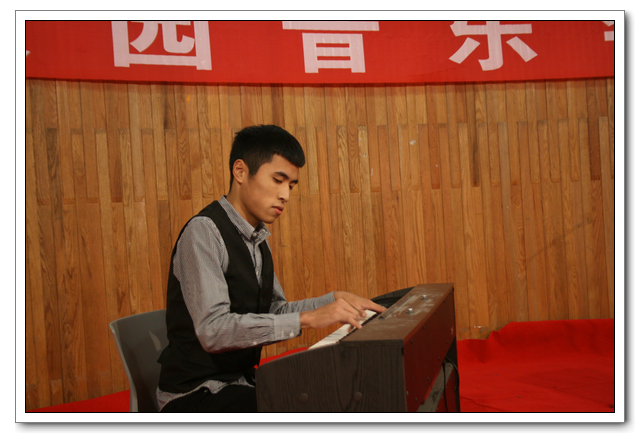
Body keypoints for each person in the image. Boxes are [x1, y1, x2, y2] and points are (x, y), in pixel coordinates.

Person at [157, 124, 385, 412]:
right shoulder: (203, 232)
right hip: (194, 394)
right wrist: (308, 319)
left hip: (240, 382)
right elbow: (213, 330)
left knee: (330, 390)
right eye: (278, 180)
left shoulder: (257, 240)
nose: (285, 195)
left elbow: (274, 312)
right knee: (306, 408)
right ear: (240, 172)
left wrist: (334, 300)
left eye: (291, 186)